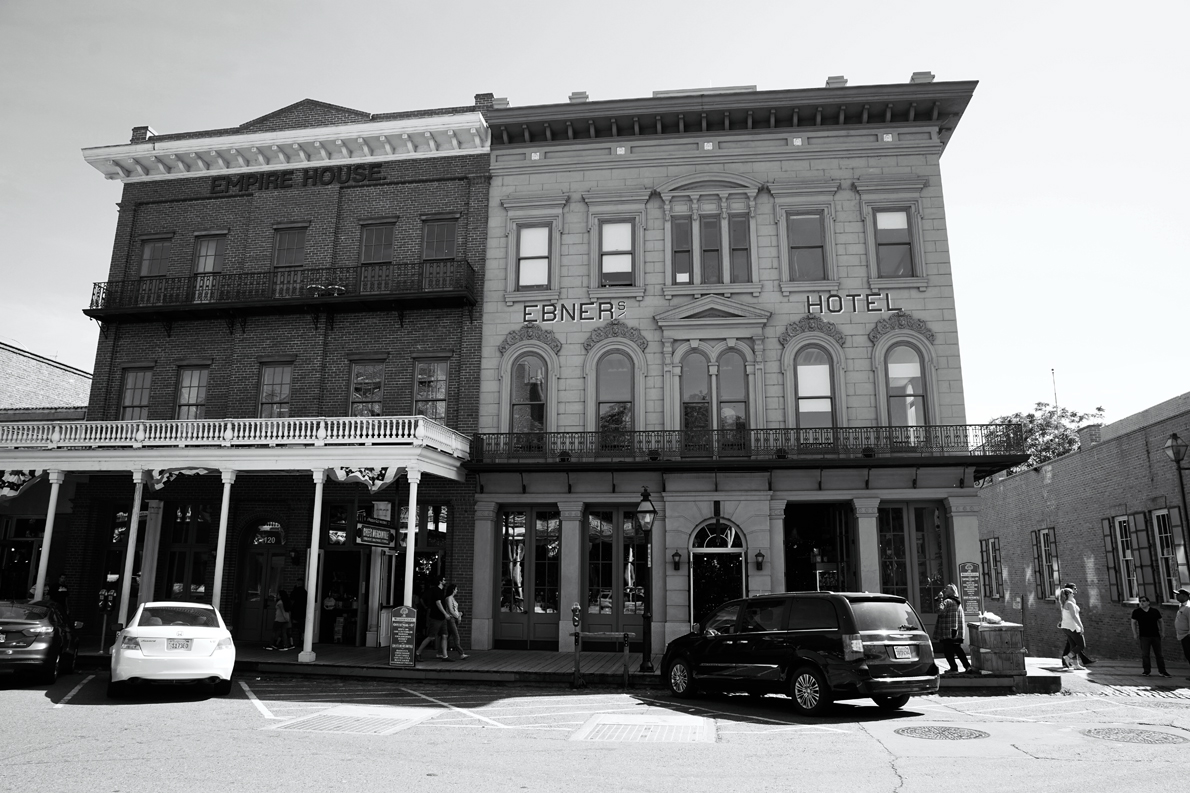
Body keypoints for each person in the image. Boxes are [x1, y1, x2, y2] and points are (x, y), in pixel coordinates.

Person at [933, 583, 970, 674]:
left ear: (952, 591)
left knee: (948, 651)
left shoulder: (948, 601)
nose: (945, 589)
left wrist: (940, 599)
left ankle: (953, 668)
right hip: (956, 631)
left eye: (947, 588)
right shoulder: (958, 602)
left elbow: (939, 611)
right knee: (957, 649)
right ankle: (968, 666)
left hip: (947, 631)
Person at [1130, 595, 1170, 677]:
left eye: (1144, 601)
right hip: (1144, 636)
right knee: (1145, 654)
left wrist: (1163, 632)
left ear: (1148, 602)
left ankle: (1162, 671)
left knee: (1159, 654)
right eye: (1140, 601)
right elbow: (1133, 623)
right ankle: (1146, 671)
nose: (1142, 603)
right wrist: (1135, 633)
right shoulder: (1136, 612)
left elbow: (1160, 621)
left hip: (1155, 635)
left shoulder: (1154, 611)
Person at [1058, 582, 1095, 667]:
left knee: (1073, 646)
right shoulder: (1070, 604)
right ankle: (1067, 658)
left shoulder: (1065, 603)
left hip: (1066, 627)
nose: (1074, 594)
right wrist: (1081, 626)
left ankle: (1076, 664)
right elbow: (1074, 616)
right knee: (1081, 645)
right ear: (1068, 594)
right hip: (1072, 627)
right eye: (1072, 592)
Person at [415, 576, 450, 661]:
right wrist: (445, 614)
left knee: (445, 635)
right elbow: (438, 603)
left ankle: (445, 656)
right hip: (436, 618)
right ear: (440, 581)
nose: (445, 581)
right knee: (431, 636)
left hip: (441, 618)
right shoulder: (436, 590)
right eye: (444, 580)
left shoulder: (440, 591)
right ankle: (418, 652)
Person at [443, 583, 469, 660]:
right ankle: (461, 653)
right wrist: (457, 616)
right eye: (456, 589)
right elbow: (451, 610)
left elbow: (454, 610)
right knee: (456, 636)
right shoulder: (449, 598)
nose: (457, 590)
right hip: (451, 619)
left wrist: (459, 615)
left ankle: (440, 652)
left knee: (448, 636)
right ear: (453, 590)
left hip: (453, 619)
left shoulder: (452, 598)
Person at [1175, 587, 1190, 680]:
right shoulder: (1181, 606)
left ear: (1185, 596)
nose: (1176, 596)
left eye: (1178, 594)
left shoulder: (1188, 607)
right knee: (1188, 655)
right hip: (1183, 635)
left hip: (1187, 636)